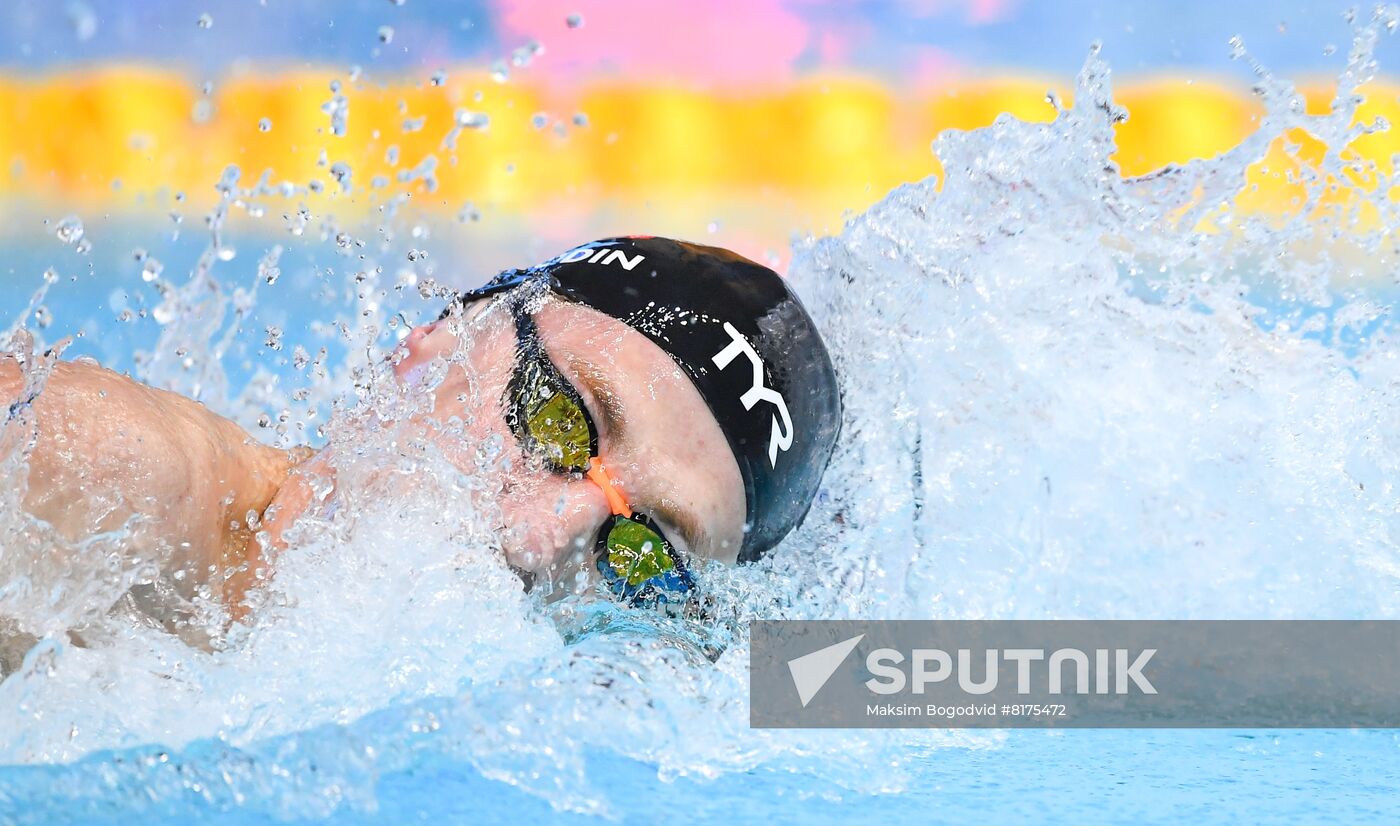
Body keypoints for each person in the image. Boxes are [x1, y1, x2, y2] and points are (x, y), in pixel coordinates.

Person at [0, 236, 841, 643]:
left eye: (642, 550)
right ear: (441, 336)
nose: (539, 538)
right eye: (559, 421)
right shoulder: (107, 475)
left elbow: (926, 685)